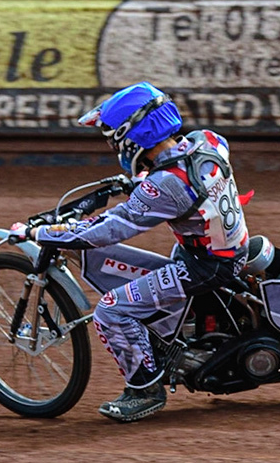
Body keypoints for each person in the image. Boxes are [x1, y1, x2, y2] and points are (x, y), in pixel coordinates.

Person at [24, 82, 250, 422]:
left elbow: (112, 227)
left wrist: (45, 233)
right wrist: (138, 181)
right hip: (227, 250)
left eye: (114, 137)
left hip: (206, 266)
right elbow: (187, 177)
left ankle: (145, 390)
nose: (113, 144)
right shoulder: (210, 141)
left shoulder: (165, 185)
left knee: (111, 311)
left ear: (131, 137)